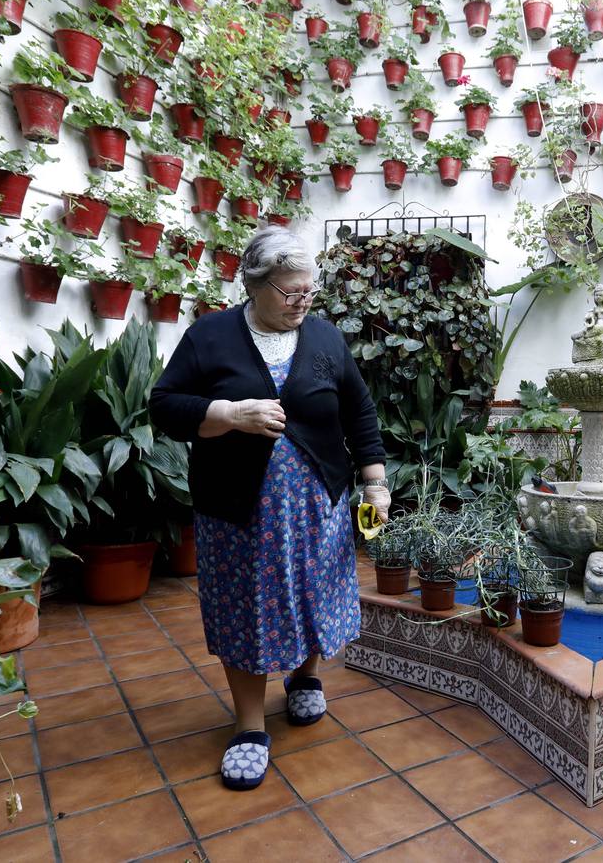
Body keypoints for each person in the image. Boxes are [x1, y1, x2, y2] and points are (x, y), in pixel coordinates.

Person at [149, 226, 390, 791]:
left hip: (318, 505)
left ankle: (305, 678)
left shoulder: (326, 339)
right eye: (290, 293)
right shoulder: (210, 336)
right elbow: (165, 406)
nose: (302, 302)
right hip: (238, 512)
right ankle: (250, 727)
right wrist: (229, 414)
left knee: (314, 595)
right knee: (246, 609)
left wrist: (375, 483)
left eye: (309, 291)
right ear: (255, 285)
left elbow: (360, 412)